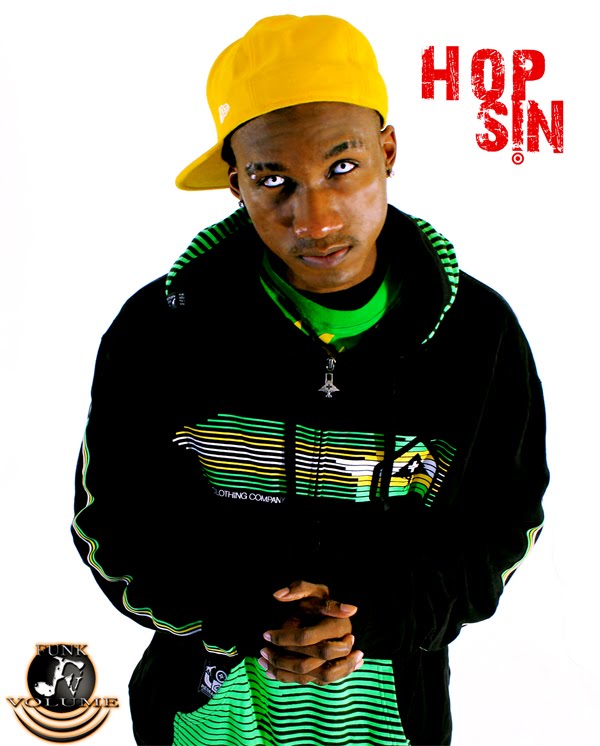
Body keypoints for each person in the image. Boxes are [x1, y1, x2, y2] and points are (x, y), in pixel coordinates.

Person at [72, 14, 549, 746]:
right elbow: (113, 524)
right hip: (203, 712)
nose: (316, 218)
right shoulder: (160, 331)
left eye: (342, 166)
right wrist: (248, 615)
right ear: (235, 183)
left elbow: (500, 524)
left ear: (387, 151)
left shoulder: (477, 338)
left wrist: (369, 618)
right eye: (274, 180)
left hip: (391, 718)